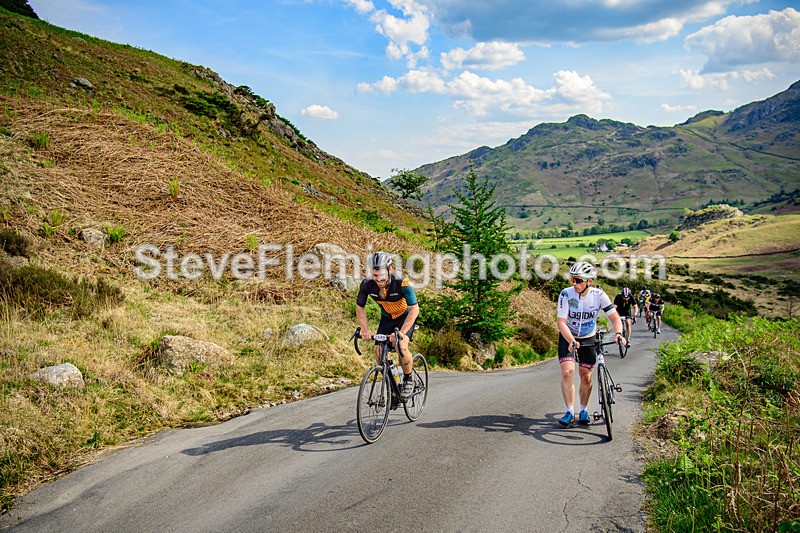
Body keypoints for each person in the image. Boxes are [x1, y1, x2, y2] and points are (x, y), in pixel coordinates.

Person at [556, 262, 626, 426]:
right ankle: (569, 412)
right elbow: (561, 322)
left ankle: (583, 410)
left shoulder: (599, 295)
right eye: (573, 279)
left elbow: (615, 318)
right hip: (568, 336)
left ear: (589, 281)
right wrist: (571, 340)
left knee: (586, 377)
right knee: (568, 372)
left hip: (588, 337)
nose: (575, 283)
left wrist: (618, 333)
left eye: (579, 280)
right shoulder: (566, 294)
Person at [356, 251, 419, 398]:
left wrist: (402, 333)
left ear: (390, 270)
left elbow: (414, 309)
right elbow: (360, 306)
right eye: (375, 275)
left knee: (401, 345)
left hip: (405, 317)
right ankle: (393, 382)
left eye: (382, 275)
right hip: (387, 318)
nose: (378, 279)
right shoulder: (367, 284)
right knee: (379, 354)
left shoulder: (402, 282)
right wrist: (365, 330)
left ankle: (408, 378)